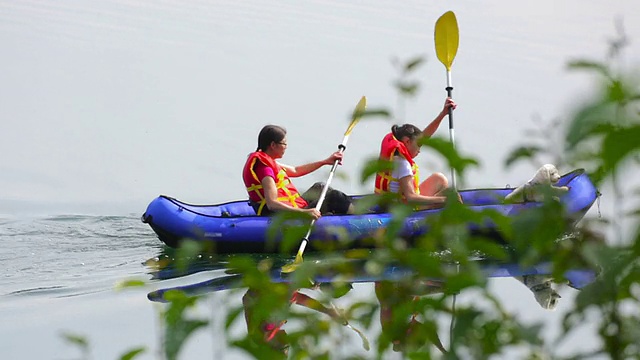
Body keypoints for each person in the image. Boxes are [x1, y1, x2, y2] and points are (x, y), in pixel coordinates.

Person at [243, 125, 355, 219]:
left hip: (292, 208)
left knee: (320, 187)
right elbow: (272, 204)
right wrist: (305, 212)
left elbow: (295, 170)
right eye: (284, 144)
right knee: (334, 197)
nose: (286, 147)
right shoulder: (265, 170)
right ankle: (364, 217)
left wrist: (325, 161)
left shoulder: (268, 162)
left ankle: (355, 209)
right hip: (282, 216)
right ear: (273, 145)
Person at [374, 98, 458, 209]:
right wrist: (444, 200)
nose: (420, 150)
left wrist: (443, 114)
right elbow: (411, 197)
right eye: (418, 145)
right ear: (407, 141)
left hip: (388, 202)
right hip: (403, 207)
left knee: (439, 178)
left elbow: (425, 136)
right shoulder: (402, 164)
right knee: (451, 194)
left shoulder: (394, 150)